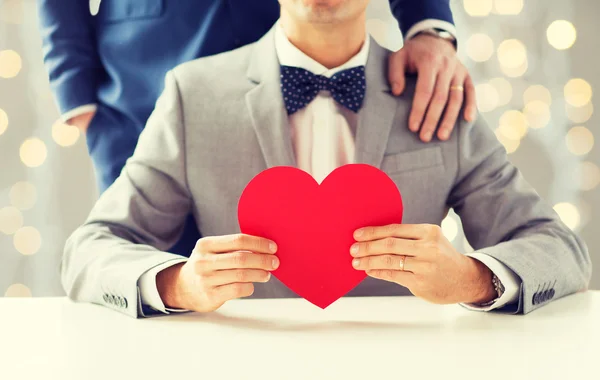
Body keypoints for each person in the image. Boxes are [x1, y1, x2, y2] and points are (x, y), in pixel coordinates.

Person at [62, 0, 591, 319]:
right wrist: (178, 284)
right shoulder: (192, 96)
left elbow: (560, 250)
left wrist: (472, 278)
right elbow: (88, 250)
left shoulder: (436, 95)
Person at [38, 0, 475, 257]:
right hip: (139, 81)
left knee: (297, 278)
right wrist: (75, 89)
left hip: (290, 56)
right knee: (146, 281)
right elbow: (104, 257)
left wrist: (428, 25)